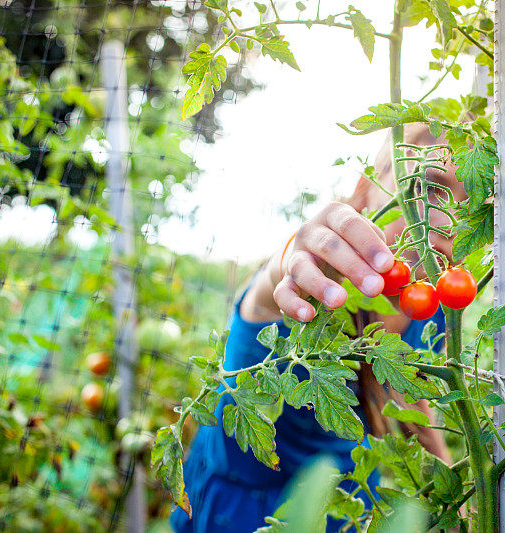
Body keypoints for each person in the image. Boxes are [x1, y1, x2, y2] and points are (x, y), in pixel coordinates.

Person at [171, 123, 468, 532]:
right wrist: (290, 260)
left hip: (346, 511)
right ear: (366, 190)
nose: (444, 219)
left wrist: (457, 506)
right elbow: (267, 295)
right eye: (429, 187)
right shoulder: (317, 294)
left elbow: (408, 391)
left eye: (468, 204)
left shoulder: (434, 303)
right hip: (242, 515)